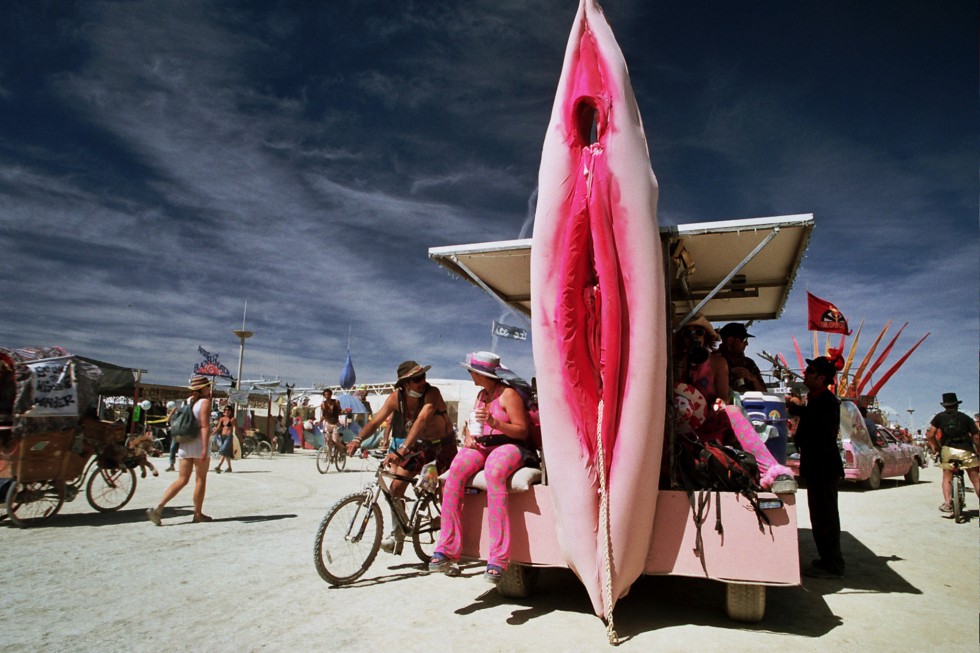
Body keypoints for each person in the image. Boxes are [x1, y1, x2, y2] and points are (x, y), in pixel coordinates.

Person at [429, 351, 531, 583]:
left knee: (494, 473)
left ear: (483, 373)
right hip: (482, 446)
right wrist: (467, 436)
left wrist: (495, 423)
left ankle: (498, 557)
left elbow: (522, 431)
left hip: (510, 446)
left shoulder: (509, 395)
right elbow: (471, 424)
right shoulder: (481, 395)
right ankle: (447, 548)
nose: (469, 374)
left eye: (472, 370)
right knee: (454, 472)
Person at [673, 316, 796, 493]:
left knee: (732, 410)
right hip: (679, 427)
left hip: (708, 423)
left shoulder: (717, 362)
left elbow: (723, 397)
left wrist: (719, 404)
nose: (694, 337)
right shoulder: (674, 361)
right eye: (687, 333)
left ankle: (771, 471)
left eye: (698, 332)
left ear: (706, 336)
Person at [345, 360, 457, 553]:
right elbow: (375, 422)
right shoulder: (396, 398)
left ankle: (448, 545)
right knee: (395, 489)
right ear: (405, 383)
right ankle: (398, 533)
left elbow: (421, 420)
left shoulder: (432, 393)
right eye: (416, 379)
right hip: (422, 447)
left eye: (423, 376)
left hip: (442, 448)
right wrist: (358, 439)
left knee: (438, 491)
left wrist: (402, 449)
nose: (422, 381)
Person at [787, 356, 844, 578]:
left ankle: (833, 564)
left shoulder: (827, 401)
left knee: (825, 516)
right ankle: (826, 559)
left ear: (821, 378)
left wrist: (799, 408)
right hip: (817, 466)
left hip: (824, 466)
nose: (805, 373)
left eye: (810, 371)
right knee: (819, 515)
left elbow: (819, 428)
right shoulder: (817, 400)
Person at [147, 376, 214, 525]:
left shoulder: (187, 401)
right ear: (203, 389)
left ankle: (159, 508)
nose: (209, 389)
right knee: (200, 479)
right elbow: (204, 426)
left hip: (184, 444)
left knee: (182, 479)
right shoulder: (205, 402)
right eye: (207, 386)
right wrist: (204, 448)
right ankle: (197, 514)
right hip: (197, 444)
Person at [925, 393, 980, 513]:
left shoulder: (939, 417)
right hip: (966, 449)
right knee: (975, 479)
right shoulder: (966, 418)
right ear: (956, 405)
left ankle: (948, 503)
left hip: (948, 450)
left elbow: (930, 435)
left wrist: (938, 447)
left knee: (946, 477)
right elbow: (976, 437)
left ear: (944, 406)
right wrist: (978, 450)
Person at [718, 322, 767, 395]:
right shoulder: (713, 361)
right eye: (744, 340)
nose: (747, 344)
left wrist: (753, 379)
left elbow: (764, 393)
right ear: (730, 340)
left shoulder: (749, 363)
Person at [213, 405, 237, 473]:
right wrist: (212, 434)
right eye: (225, 410)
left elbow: (237, 428)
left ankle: (219, 466)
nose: (226, 411)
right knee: (226, 453)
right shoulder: (222, 419)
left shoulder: (233, 419)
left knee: (223, 450)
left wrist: (240, 438)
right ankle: (229, 468)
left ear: (231, 411)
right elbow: (218, 428)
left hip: (229, 436)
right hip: (222, 436)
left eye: (228, 410)